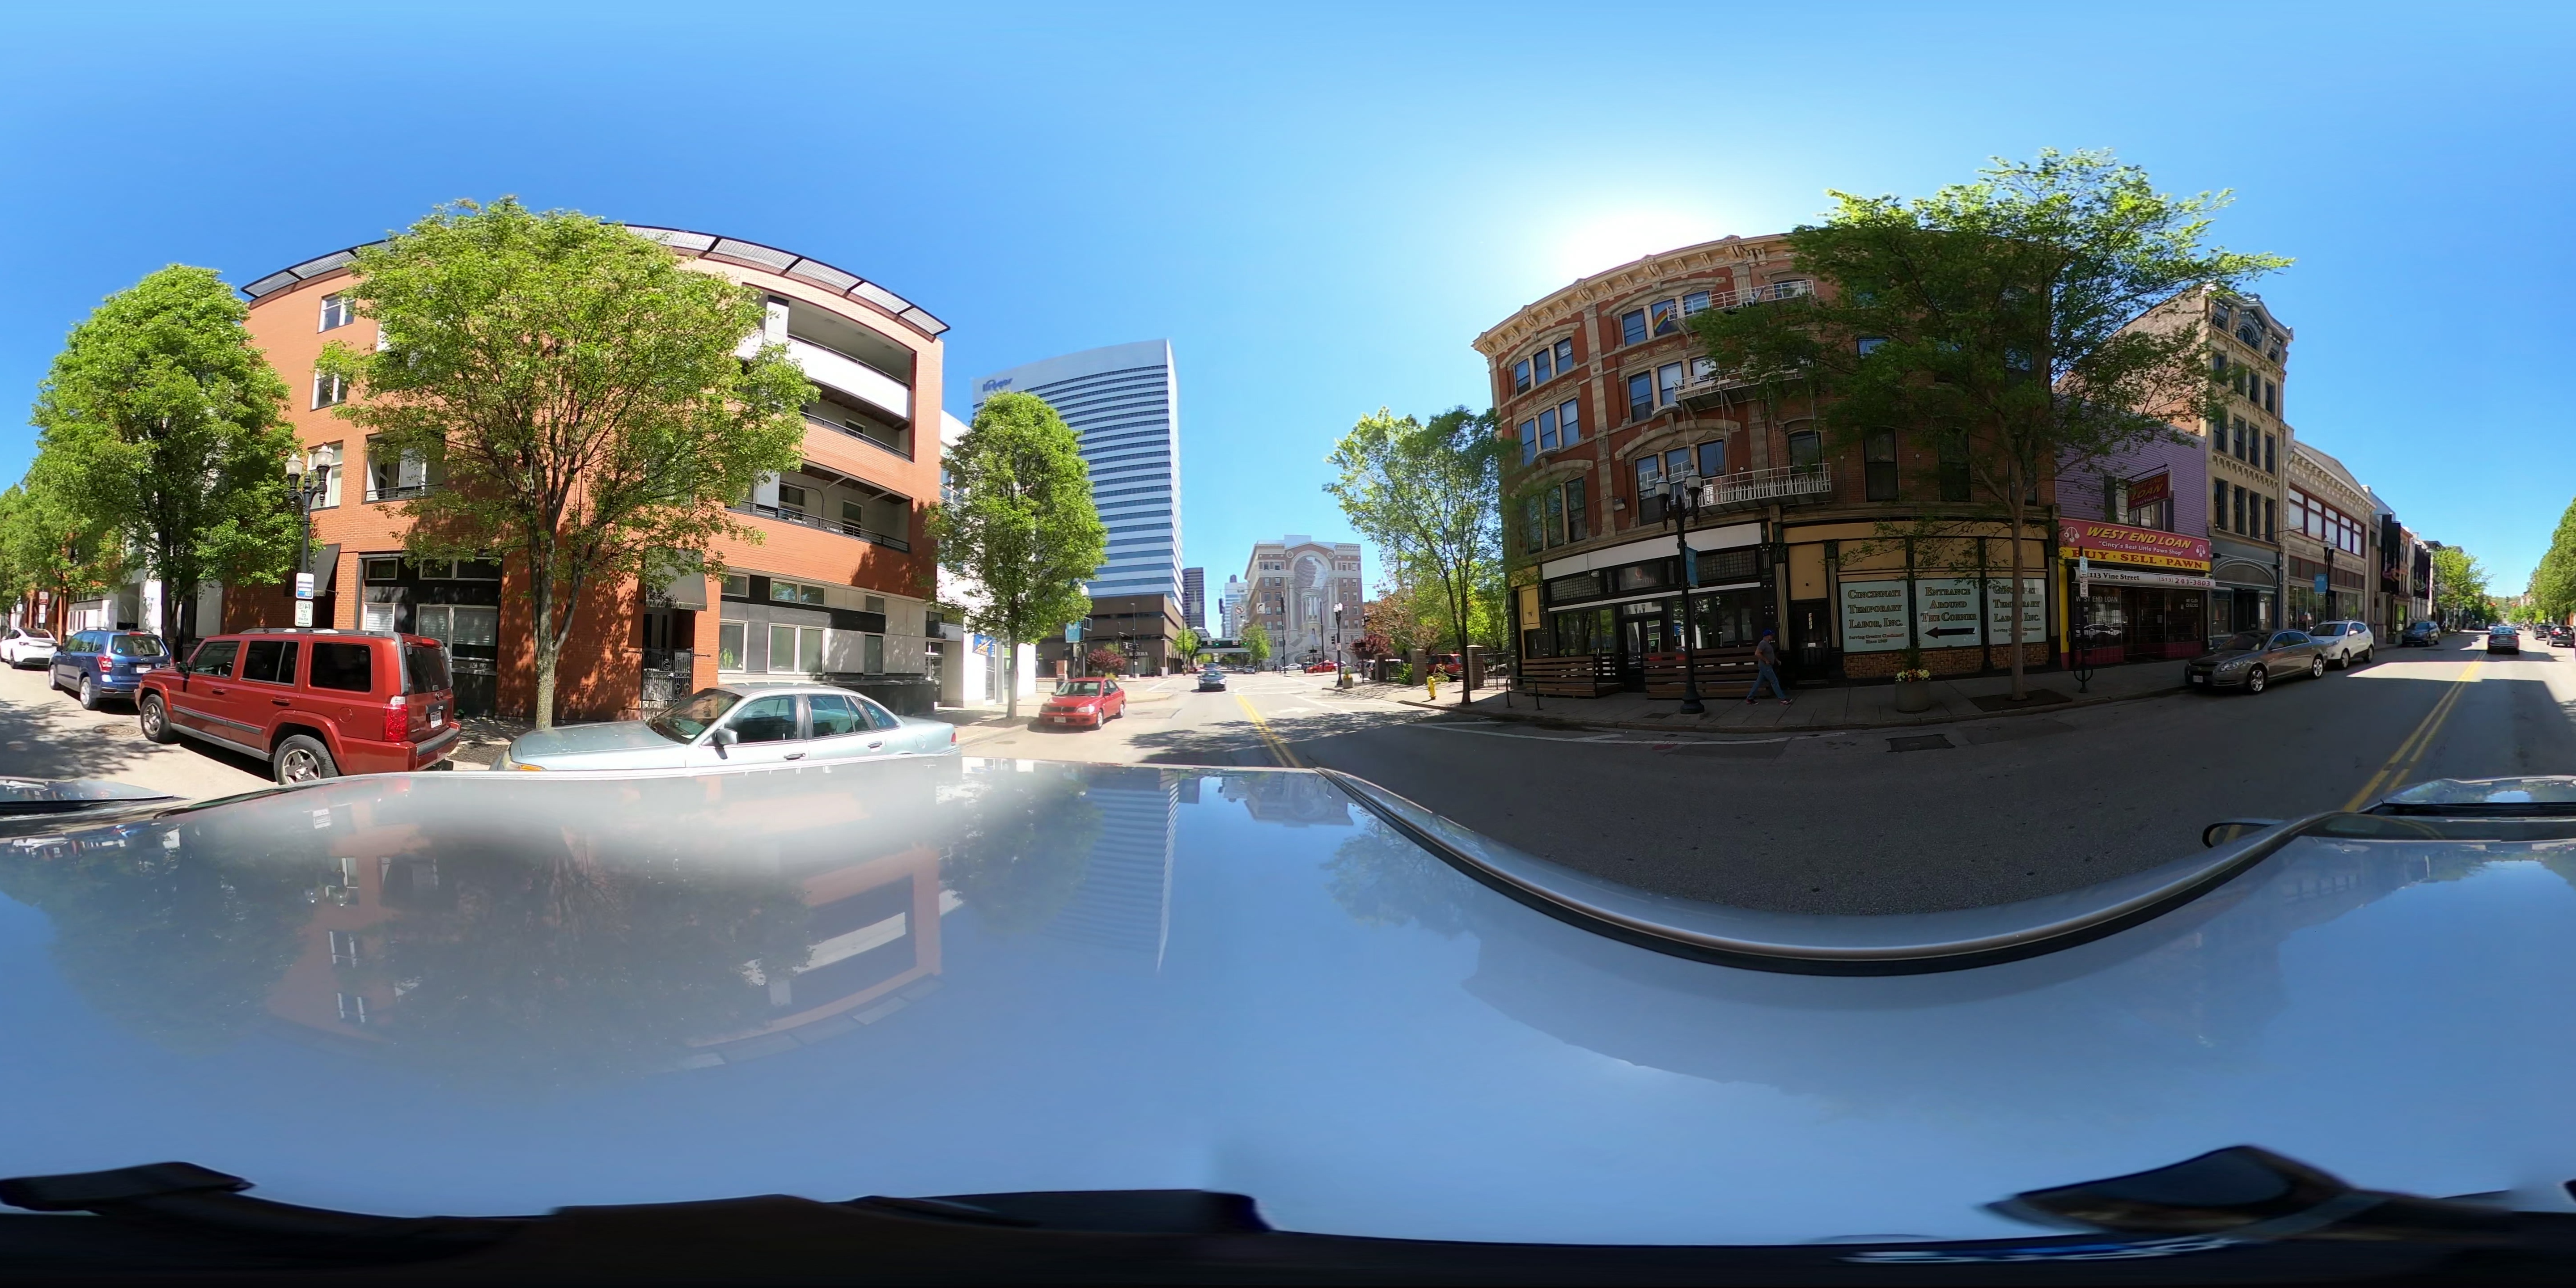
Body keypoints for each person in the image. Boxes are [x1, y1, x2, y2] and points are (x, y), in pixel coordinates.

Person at [1747, 628, 1790, 705]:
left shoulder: (1768, 644)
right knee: (1774, 681)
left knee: (1759, 682)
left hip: (1767, 666)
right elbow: (1757, 653)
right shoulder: (1763, 644)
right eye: (1771, 635)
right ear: (1767, 636)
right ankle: (1783, 699)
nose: (1772, 637)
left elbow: (1771, 654)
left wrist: (1777, 661)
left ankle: (1750, 698)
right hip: (1766, 666)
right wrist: (1766, 660)